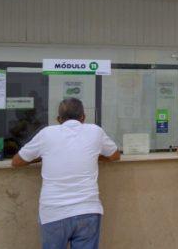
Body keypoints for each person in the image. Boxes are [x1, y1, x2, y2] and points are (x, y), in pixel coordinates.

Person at [11, 98, 120, 249]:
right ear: (83, 117)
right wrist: (94, 155)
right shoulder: (95, 131)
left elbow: (16, 162)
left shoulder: (46, 134)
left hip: (54, 213)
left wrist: (41, 157)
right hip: (87, 211)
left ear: (58, 119)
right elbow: (115, 155)